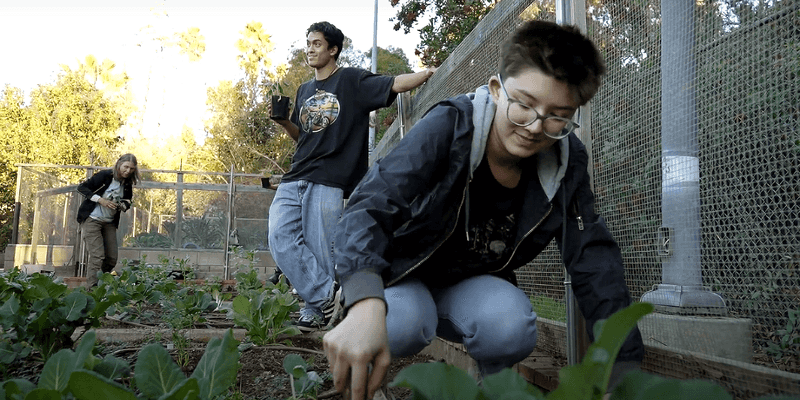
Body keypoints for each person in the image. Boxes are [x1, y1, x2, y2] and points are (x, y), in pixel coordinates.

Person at [323, 20, 644, 400]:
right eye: (523, 104)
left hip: (466, 284)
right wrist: (363, 298)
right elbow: (371, 202)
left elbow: (593, 258)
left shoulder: (566, 163)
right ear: (496, 89)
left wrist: (621, 369)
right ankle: (362, 381)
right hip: (402, 274)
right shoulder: (451, 125)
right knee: (405, 322)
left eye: (557, 116)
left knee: (511, 325)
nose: (534, 127)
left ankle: (490, 391)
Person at [268, 21, 437, 331]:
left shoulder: (350, 80)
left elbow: (393, 83)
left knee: (322, 248)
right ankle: (329, 298)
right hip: (297, 174)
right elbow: (304, 136)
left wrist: (426, 74)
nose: (310, 49)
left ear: (333, 49)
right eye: (308, 43)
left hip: (330, 176)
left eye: (317, 44)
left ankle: (315, 310)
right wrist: (283, 122)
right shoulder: (305, 89)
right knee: (279, 237)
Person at [76, 153, 140, 287]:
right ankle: (92, 289)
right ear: (119, 164)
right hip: (92, 219)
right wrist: (101, 200)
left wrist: (123, 205)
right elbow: (81, 188)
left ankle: (101, 283)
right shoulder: (105, 176)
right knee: (97, 256)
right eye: (126, 167)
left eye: (132, 169)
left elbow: (128, 200)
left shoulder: (127, 183)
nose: (128, 171)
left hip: (109, 222)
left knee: (111, 258)